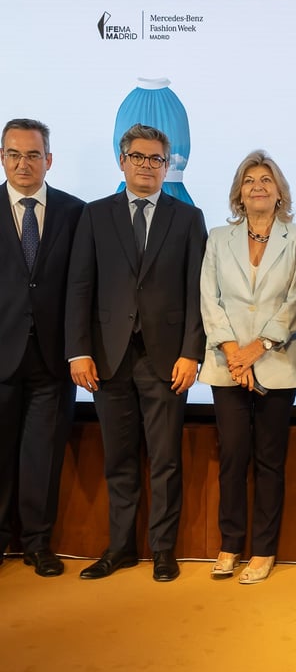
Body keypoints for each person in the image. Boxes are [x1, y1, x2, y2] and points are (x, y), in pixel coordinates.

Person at [66, 123, 207, 582]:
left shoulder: (188, 218)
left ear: (167, 167)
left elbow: (197, 292)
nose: (148, 166)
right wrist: (78, 352)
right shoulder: (94, 214)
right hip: (107, 358)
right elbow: (80, 286)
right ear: (122, 161)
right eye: (139, 157)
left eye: (156, 159)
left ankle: (163, 550)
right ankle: (121, 547)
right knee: (118, 459)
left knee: (165, 460)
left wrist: (192, 352)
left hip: (167, 360)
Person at [199, 150, 296, 584]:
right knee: (232, 456)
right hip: (227, 363)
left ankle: (264, 550)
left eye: (266, 179)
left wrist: (258, 347)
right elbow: (209, 298)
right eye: (249, 181)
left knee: (269, 459)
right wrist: (234, 351)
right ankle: (230, 544)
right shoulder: (217, 238)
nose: (258, 186)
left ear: (280, 191)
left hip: (277, 362)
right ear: (238, 194)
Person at [0, 118, 84, 576]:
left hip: (54, 358)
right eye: (14, 154)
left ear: (49, 159)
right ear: (2, 158)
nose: (23, 163)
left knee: (43, 456)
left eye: (33, 154)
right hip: (1, 355)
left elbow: (84, 287)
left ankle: (37, 543)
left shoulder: (75, 212)